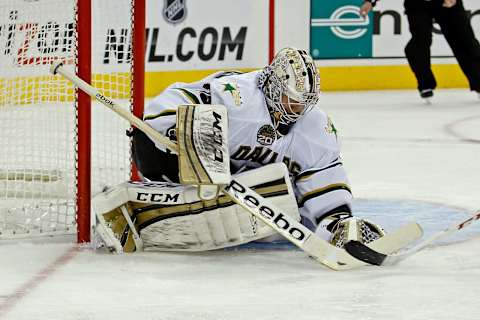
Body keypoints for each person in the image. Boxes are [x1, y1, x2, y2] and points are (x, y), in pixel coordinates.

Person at [94, 47, 385, 253]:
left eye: (304, 102)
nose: (297, 110)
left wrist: (336, 220)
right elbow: (179, 95)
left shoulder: (314, 127)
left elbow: (324, 176)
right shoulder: (238, 95)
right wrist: (175, 127)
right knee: (160, 139)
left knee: (294, 203)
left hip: (238, 176)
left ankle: (339, 231)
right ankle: (148, 210)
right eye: (291, 99)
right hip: (178, 160)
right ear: (272, 86)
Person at [360, 0, 480, 100]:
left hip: (448, 4)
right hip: (418, 4)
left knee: (466, 41)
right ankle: (425, 83)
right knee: (421, 40)